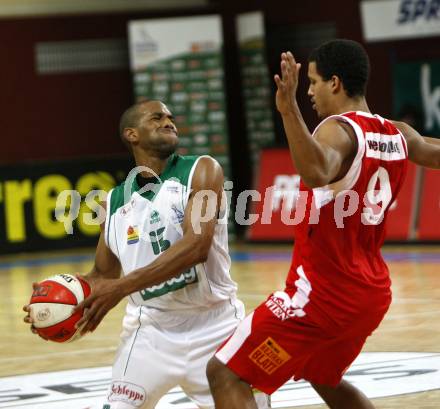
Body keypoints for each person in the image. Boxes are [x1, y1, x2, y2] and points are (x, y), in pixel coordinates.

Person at [206, 39, 440, 409]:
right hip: (371, 293)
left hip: (322, 295)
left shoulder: (336, 129)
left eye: (313, 82)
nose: (309, 91)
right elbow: (436, 153)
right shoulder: (398, 133)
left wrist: (288, 110)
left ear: (335, 82)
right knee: (322, 377)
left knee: (224, 373)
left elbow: (316, 171)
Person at [23, 100, 269, 409]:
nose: (169, 122)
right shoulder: (111, 203)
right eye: (157, 118)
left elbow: (197, 246)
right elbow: (103, 275)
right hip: (150, 332)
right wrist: (57, 298)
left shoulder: (202, 170)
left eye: (170, 117)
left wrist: (122, 288)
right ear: (132, 134)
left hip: (215, 326)